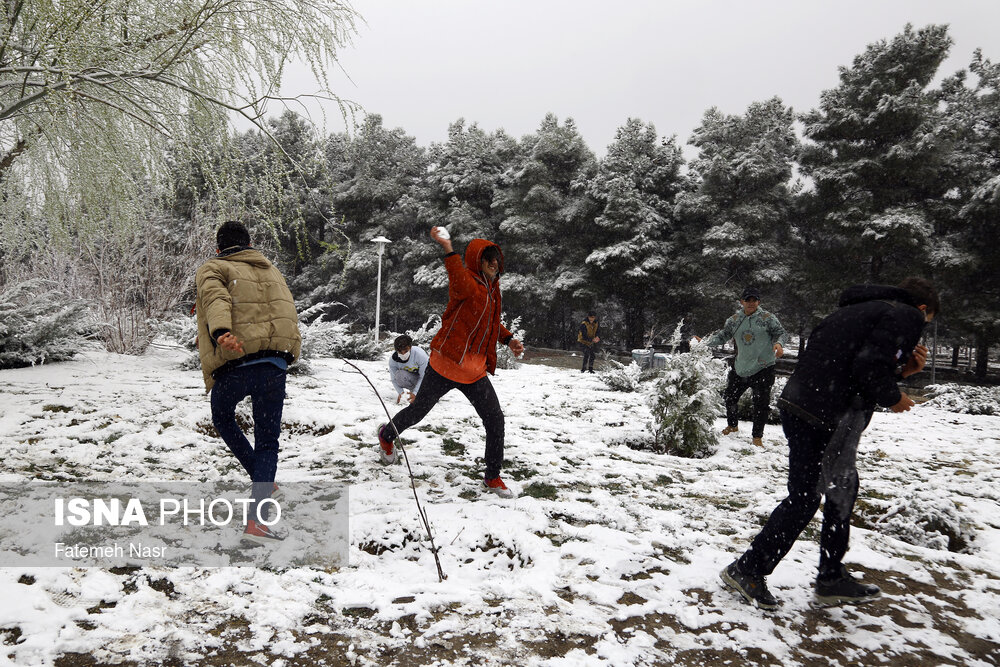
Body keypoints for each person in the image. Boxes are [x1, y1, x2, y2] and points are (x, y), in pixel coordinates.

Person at [720, 277, 938, 609]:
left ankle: (830, 576)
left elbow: (852, 363)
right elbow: (868, 368)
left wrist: (903, 371)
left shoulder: (857, 309)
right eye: (928, 320)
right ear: (923, 309)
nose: (922, 327)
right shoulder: (906, 314)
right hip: (828, 416)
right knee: (811, 497)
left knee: (840, 489)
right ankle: (751, 568)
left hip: (802, 406)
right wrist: (894, 395)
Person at [376, 227, 524, 498]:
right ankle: (386, 435)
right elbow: (457, 277)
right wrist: (447, 247)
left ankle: (492, 477)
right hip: (446, 365)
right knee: (419, 411)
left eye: (496, 259)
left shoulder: (493, 290)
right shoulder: (466, 282)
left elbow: (490, 322)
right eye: (487, 258)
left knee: (495, 419)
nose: (494, 263)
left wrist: (508, 339)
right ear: (476, 261)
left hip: (474, 372)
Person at [195, 220, 301, 545]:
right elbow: (283, 309)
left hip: (239, 361)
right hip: (275, 362)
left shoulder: (213, 267)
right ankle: (258, 518)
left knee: (222, 417)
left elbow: (217, 299)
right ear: (249, 243)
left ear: (219, 247)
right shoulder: (271, 269)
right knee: (268, 442)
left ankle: (260, 479)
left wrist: (220, 332)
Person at [701, 287, 788, 447]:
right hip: (740, 367)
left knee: (760, 404)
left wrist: (779, 343)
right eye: (748, 300)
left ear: (758, 302)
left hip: (763, 367)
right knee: (730, 397)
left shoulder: (768, 318)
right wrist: (705, 342)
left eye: (754, 300)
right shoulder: (734, 320)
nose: (751, 303)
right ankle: (733, 426)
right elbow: (723, 335)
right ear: (742, 302)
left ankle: (757, 437)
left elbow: (782, 333)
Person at [388, 334, 429, 404]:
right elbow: (394, 379)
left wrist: (415, 393)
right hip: (413, 379)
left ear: (410, 347)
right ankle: (415, 393)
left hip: (428, 378)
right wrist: (401, 393)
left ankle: (427, 392)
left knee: (429, 391)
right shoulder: (393, 360)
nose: (403, 354)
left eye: (406, 351)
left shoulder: (420, 355)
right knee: (399, 375)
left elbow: (424, 376)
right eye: (400, 352)